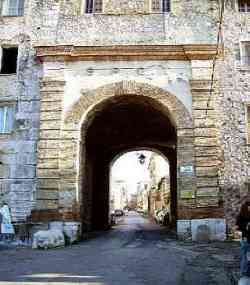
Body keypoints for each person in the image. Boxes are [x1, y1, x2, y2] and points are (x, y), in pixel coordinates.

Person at [236, 202, 250, 277]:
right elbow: (238, 228)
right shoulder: (241, 217)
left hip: (245, 239)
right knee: (245, 257)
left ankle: (245, 272)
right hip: (246, 239)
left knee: (247, 258)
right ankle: (244, 273)